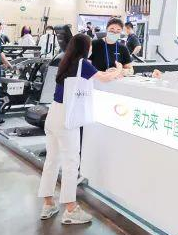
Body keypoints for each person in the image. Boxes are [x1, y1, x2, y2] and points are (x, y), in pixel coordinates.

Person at [38, 33, 123, 224]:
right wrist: (119, 70)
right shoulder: (82, 63)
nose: (91, 48)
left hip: (53, 114)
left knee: (52, 161)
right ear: (85, 48)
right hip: (67, 118)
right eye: (90, 45)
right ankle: (70, 209)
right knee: (70, 163)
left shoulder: (66, 60)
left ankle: (48, 204)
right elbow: (104, 78)